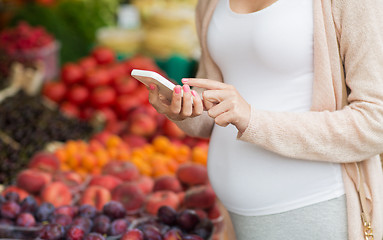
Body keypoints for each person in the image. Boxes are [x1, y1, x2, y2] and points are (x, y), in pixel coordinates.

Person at [147, 0, 383, 239]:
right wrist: (183, 109)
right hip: (236, 214)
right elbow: (213, 106)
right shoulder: (209, 4)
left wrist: (253, 120)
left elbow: (376, 122)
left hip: (314, 206)